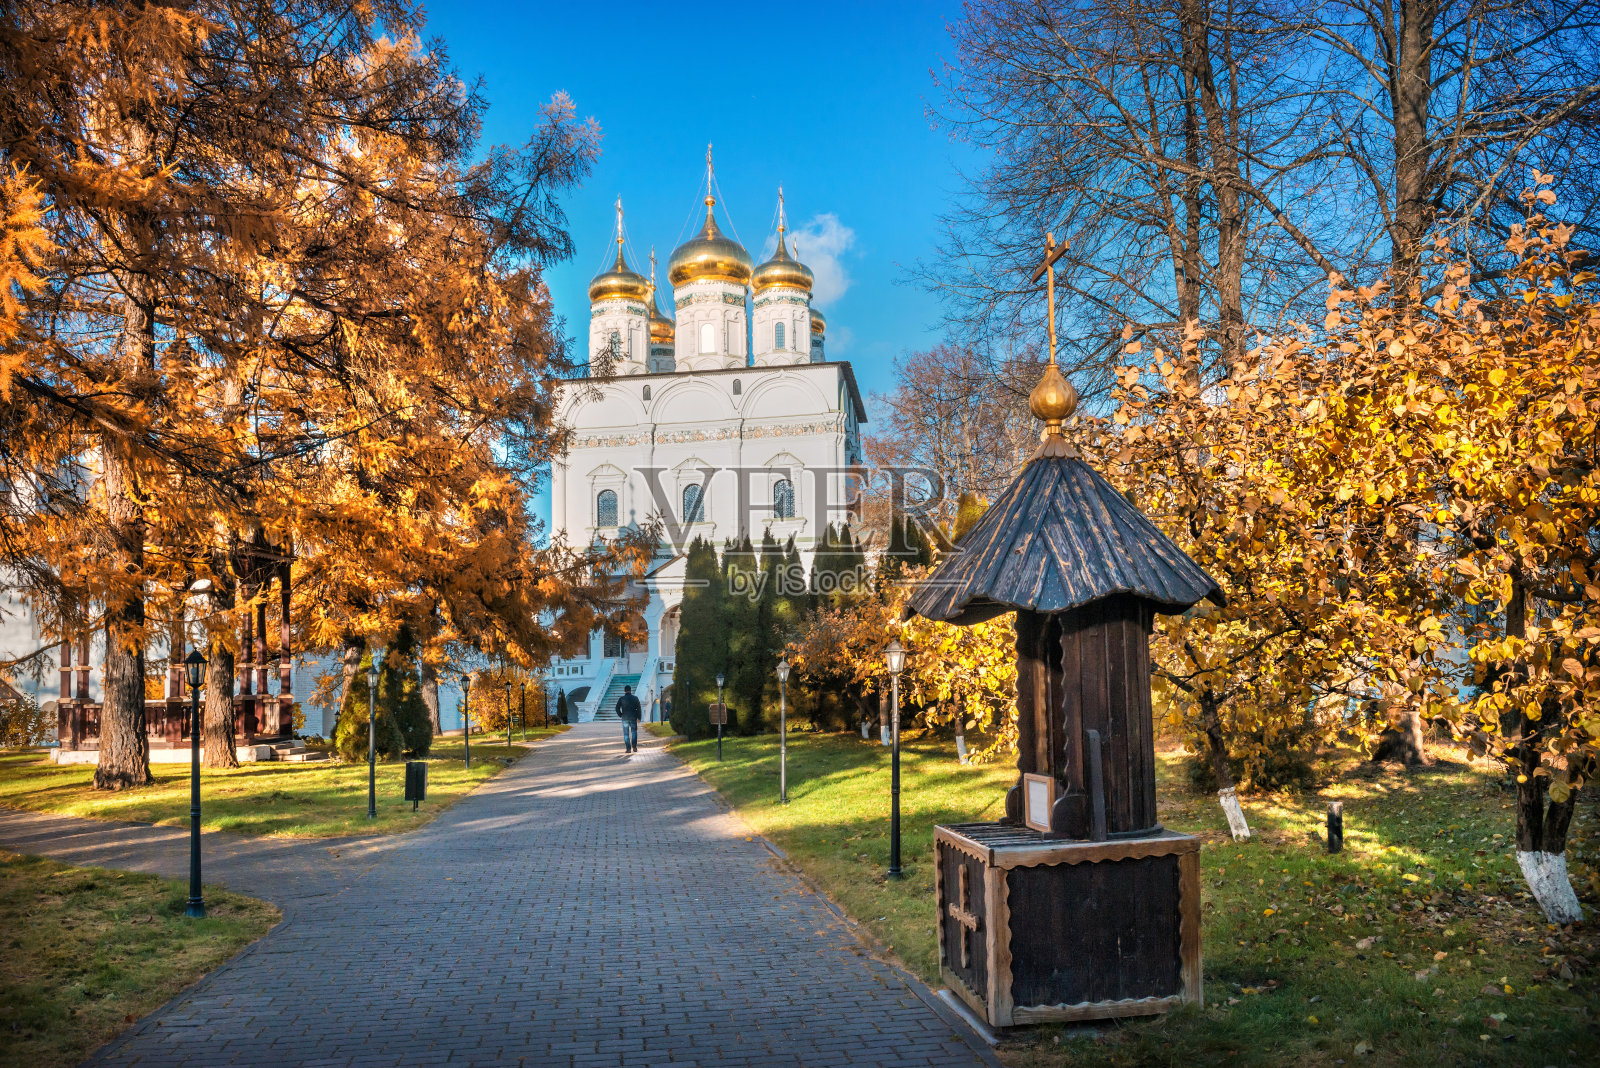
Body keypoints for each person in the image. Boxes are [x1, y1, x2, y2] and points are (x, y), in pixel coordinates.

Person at [616, 684, 642, 753]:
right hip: (633, 718)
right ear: (630, 690)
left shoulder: (621, 698)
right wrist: (639, 717)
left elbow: (617, 708)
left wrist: (621, 715)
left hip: (625, 718)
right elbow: (639, 708)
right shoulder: (635, 698)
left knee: (626, 734)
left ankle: (628, 749)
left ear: (624, 691)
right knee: (634, 732)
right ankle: (634, 747)